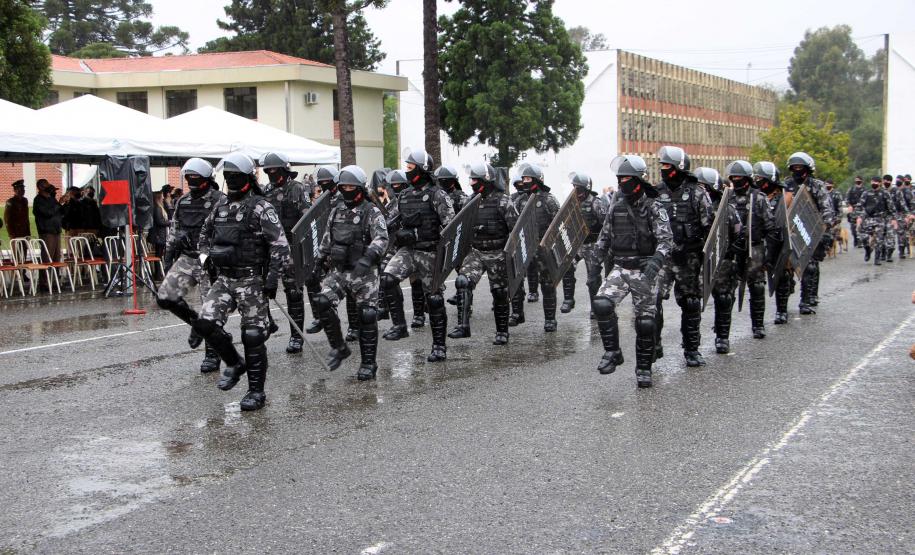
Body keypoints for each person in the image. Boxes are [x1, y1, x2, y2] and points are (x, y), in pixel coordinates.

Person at [194, 153, 288, 411]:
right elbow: (203, 236)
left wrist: (272, 278)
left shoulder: (261, 207)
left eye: (236, 177)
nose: (231, 181)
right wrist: (205, 260)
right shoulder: (220, 207)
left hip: (251, 280)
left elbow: (280, 245)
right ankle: (235, 362)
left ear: (247, 178)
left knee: (253, 335)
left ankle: (256, 392)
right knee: (205, 324)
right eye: (228, 177)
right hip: (224, 279)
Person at [593, 154, 673, 387]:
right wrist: (595, 261)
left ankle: (643, 369)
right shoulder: (616, 207)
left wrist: (656, 263)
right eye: (620, 178)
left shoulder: (654, 207)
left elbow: (666, 240)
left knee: (646, 323)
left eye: (627, 177)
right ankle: (613, 352)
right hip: (621, 267)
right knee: (602, 304)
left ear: (638, 179)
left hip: (645, 269)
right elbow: (604, 237)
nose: (622, 182)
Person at [314, 165, 388, 380]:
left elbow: (382, 238)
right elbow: (327, 238)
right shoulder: (336, 211)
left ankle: (368, 363)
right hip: (339, 271)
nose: (346, 190)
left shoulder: (371, 211)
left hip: (365, 273)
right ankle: (339, 347)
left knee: (367, 315)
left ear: (359, 188)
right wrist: (319, 260)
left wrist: (369, 256)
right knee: (321, 302)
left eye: (350, 186)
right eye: (342, 186)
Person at [381, 148, 455, 361]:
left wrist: (442, 252)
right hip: (408, 251)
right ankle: (400, 325)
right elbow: (390, 221)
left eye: (410, 167)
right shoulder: (403, 195)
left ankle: (439, 346)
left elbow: (450, 225)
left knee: (433, 299)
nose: (407, 171)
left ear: (422, 170)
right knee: (387, 278)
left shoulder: (437, 194)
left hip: (430, 252)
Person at [156, 159, 228, 374]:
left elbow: (227, 231)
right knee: (166, 296)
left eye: (196, 178)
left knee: (209, 308)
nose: (192, 182)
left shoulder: (220, 200)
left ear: (207, 179)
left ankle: (212, 354)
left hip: (210, 260)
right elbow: (175, 231)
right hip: (188, 258)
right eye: (189, 178)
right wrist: (168, 258)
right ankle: (197, 326)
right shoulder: (183, 202)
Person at [653, 146, 713, 367]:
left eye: (667, 166)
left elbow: (709, 227)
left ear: (679, 167)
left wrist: (703, 256)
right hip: (664, 257)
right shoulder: (656, 193)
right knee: (653, 298)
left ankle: (691, 350)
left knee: (690, 303)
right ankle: (654, 344)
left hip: (689, 256)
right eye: (662, 166)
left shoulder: (697, 193)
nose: (663, 169)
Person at [449, 162, 519, 343]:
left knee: (499, 293)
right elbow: (461, 228)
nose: (472, 183)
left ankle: (502, 332)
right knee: (462, 281)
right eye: (471, 179)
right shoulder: (469, 201)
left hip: (497, 252)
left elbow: (515, 230)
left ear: (486, 180)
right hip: (477, 252)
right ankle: (463, 326)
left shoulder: (504, 201)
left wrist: (513, 258)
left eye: (475, 179)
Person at [259, 152, 312, 354]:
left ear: (284, 170)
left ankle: (296, 337)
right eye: (268, 171)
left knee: (293, 293)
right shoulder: (266, 191)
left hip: (291, 248)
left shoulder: (297, 188)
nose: (272, 174)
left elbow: (307, 216)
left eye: (275, 170)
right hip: (270, 248)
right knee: (261, 288)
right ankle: (268, 322)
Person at [725, 160, 780, 341]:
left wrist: (769, 256)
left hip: (754, 248)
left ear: (748, 178)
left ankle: (758, 325)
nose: (736, 180)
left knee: (757, 287)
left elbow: (770, 227)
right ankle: (723, 334)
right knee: (725, 292)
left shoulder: (759, 197)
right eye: (733, 178)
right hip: (732, 251)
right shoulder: (728, 197)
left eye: (740, 177)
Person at [509, 164, 560, 331]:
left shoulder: (548, 199)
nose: (525, 181)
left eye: (528, 179)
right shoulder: (519, 200)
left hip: (543, 248)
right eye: (523, 179)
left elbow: (558, 224)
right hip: (524, 246)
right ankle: (517, 313)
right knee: (515, 280)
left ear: (537, 180)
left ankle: (550, 320)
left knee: (546, 284)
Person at [783, 153, 834, 314]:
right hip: (791, 231)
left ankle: (806, 300)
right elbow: (779, 208)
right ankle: (785, 293)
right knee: (784, 268)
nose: (797, 171)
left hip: (811, 230)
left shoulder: (817, 186)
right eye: (795, 168)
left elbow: (826, 209)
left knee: (809, 266)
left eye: (801, 168)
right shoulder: (786, 185)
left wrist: (825, 230)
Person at [696, 167, 739, 352]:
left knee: (723, 298)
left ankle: (722, 337)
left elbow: (738, 232)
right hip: (697, 260)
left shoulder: (726, 208)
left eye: (703, 186)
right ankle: (692, 340)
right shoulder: (693, 206)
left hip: (722, 260)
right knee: (692, 301)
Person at [754, 161, 793, 325]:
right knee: (757, 282)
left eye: (761, 179)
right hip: (759, 242)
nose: (757, 181)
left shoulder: (785, 197)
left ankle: (781, 310)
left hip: (779, 241)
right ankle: (757, 322)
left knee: (782, 274)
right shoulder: (754, 196)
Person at [564, 171, 607, 317]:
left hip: (592, 245)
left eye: (579, 188)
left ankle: (595, 307)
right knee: (567, 267)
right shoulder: (572, 203)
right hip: (577, 244)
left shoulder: (596, 203)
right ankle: (569, 299)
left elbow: (606, 225)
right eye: (574, 187)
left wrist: (603, 245)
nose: (577, 191)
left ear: (586, 188)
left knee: (593, 278)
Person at [304, 166, 340, 335]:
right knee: (311, 279)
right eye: (321, 183)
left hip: (342, 250)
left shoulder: (344, 199)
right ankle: (319, 317)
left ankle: (354, 327)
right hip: (323, 249)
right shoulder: (319, 202)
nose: (325, 186)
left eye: (328, 182)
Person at [857, 176, 892, 266]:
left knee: (879, 239)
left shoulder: (885, 193)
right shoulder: (866, 193)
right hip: (868, 218)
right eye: (873, 182)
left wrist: (893, 219)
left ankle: (877, 258)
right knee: (863, 237)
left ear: (880, 183)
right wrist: (858, 217)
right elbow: (860, 205)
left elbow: (891, 207)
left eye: (876, 182)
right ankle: (868, 250)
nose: (874, 184)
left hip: (880, 219)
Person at [32, 180, 64, 262]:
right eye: (47, 185)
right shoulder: (38, 200)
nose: (49, 186)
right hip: (47, 232)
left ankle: (56, 274)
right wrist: (59, 204)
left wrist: (65, 203)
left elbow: (60, 212)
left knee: (56, 257)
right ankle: (45, 275)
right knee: (47, 257)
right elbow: (48, 213)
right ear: (41, 187)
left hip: (56, 231)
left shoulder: (51, 199)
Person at [846, 176, 865, 248]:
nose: (857, 182)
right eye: (856, 180)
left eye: (859, 180)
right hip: (853, 210)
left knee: (860, 226)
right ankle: (856, 239)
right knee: (853, 228)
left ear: (862, 181)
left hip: (861, 210)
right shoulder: (851, 189)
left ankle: (860, 241)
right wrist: (849, 206)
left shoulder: (865, 190)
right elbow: (847, 199)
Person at [150, 190, 169, 258]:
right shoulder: (157, 208)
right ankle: (158, 268)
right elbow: (159, 221)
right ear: (158, 198)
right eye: (162, 196)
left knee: (159, 253)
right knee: (159, 254)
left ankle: (158, 268)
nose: (163, 198)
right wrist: (169, 222)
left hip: (160, 234)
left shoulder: (158, 207)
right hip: (159, 235)